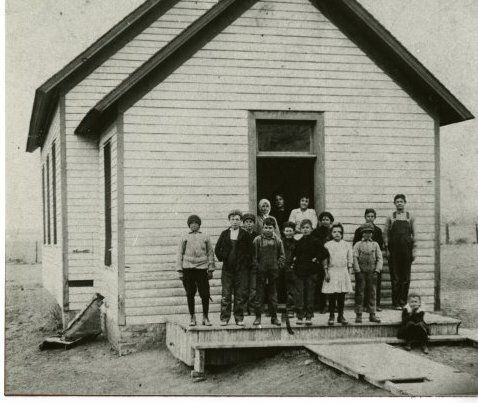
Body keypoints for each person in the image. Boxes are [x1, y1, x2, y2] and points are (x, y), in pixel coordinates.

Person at [215, 210, 254, 326]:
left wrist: (245, 263)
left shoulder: (245, 234)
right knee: (226, 295)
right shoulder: (224, 234)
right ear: (229, 220)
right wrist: (223, 257)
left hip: (241, 270)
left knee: (239, 295)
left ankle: (239, 318)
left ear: (240, 221)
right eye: (232, 219)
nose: (235, 221)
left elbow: (251, 251)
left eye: (237, 219)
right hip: (227, 269)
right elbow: (217, 249)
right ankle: (224, 318)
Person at [176, 215, 215, 326]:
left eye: (196, 223)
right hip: (188, 269)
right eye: (191, 223)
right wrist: (180, 270)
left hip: (202, 269)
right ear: (189, 225)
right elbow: (179, 253)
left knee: (205, 294)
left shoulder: (205, 236)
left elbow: (210, 253)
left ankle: (205, 317)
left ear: (199, 225)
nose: (194, 225)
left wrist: (211, 269)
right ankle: (192, 317)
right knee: (190, 293)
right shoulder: (184, 237)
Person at [292, 219, 329, 326]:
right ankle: (300, 315)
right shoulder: (298, 242)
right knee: (299, 294)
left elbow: (325, 253)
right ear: (300, 229)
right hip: (299, 272)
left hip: (311, 272)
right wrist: (294, 261)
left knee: (310, 294)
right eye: (303, 228)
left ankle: (309, 316)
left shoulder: (316, 241)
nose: (305, 229)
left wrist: (316, 259)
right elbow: (294, 254)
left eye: (307, 227)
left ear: (311, 229)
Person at [384, 194, 417, 309]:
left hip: (407, 251)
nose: (399, 203)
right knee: (395, 278)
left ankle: (403, 302)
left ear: (405, 203)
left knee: (406, 278)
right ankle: (396, 303)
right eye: (397, 201)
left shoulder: (410, 217)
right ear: (394, 203)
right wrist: (387, 249)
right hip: (394, 251)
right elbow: (385, 234)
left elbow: (415, 235)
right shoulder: (391, 217)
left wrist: (414, 251)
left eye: (401, 201)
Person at [252, 217, 286, 326]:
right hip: (260, 271)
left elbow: (282, 256)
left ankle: (274, 317)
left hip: (273, 272)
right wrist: (257, 267)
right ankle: (258, 317)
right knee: (259, 294)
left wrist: (278, 266)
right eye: (265, 227)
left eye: (270, 228)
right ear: (262, 228)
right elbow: (253, 257)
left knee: (273, 295)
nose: (267, 229)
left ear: (274, 228)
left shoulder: (278, 240)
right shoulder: (257, 240)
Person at [352, 208, 385, 312]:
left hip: (373, 265)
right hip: (361, 266)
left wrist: (377, 268)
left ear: (375, 217)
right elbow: (355, 251)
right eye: (368, 216)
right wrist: (357, 269)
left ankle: (374, 307)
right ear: (365, 217)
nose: (370, 218)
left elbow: (380, 251)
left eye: (372, 216)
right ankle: (361, 307)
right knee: (361, 288)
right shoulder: (359, 231)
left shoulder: (378, 231)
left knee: (373, 288)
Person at [323, 223, 353, 326]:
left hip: (343, 271)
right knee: (332, 295)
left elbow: (350, 259)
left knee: (341, 295)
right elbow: (325, 260)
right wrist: (326, 272)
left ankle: (341, 316)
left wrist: (349, 272)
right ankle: (331, 316)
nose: (337, 234)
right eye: (334, 232)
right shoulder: (327, 245)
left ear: (342, 233)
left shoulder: (346, 244)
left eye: (339, 232)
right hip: (332, 271)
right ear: (331, 233)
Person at [311, 211, 335, 313]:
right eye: (323, 219)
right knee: (321, 283)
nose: (325, 221)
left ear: (331, 221)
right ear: (320, 221)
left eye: (327, 219)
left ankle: (332, 305)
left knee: (332, 282)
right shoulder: (315, 232)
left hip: (332, 260)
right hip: (319, 260)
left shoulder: (333, 232)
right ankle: (322, 305)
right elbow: (315, 246)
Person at [242, 213, 260, 315]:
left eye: (251, 222)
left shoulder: (257, 236)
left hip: (254, 265)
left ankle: (252, 308)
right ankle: (244, 308)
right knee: (244, 287)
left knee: (253, 288)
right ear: (243, 223)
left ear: (254, 223)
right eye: (246, 222)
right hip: (243, 265)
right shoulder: (240, 235)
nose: (249, 224)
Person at [280, 221, 298, 317]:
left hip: (291, 268)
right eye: (286, 231)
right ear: (283, 232)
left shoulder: (296, 243)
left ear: (294, 232)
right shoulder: (280, 242)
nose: (288, 233)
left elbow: (298, 255)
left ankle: (291, 309)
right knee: (280, 288)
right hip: (281, 268)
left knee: (291, 289)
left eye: (290, 231)